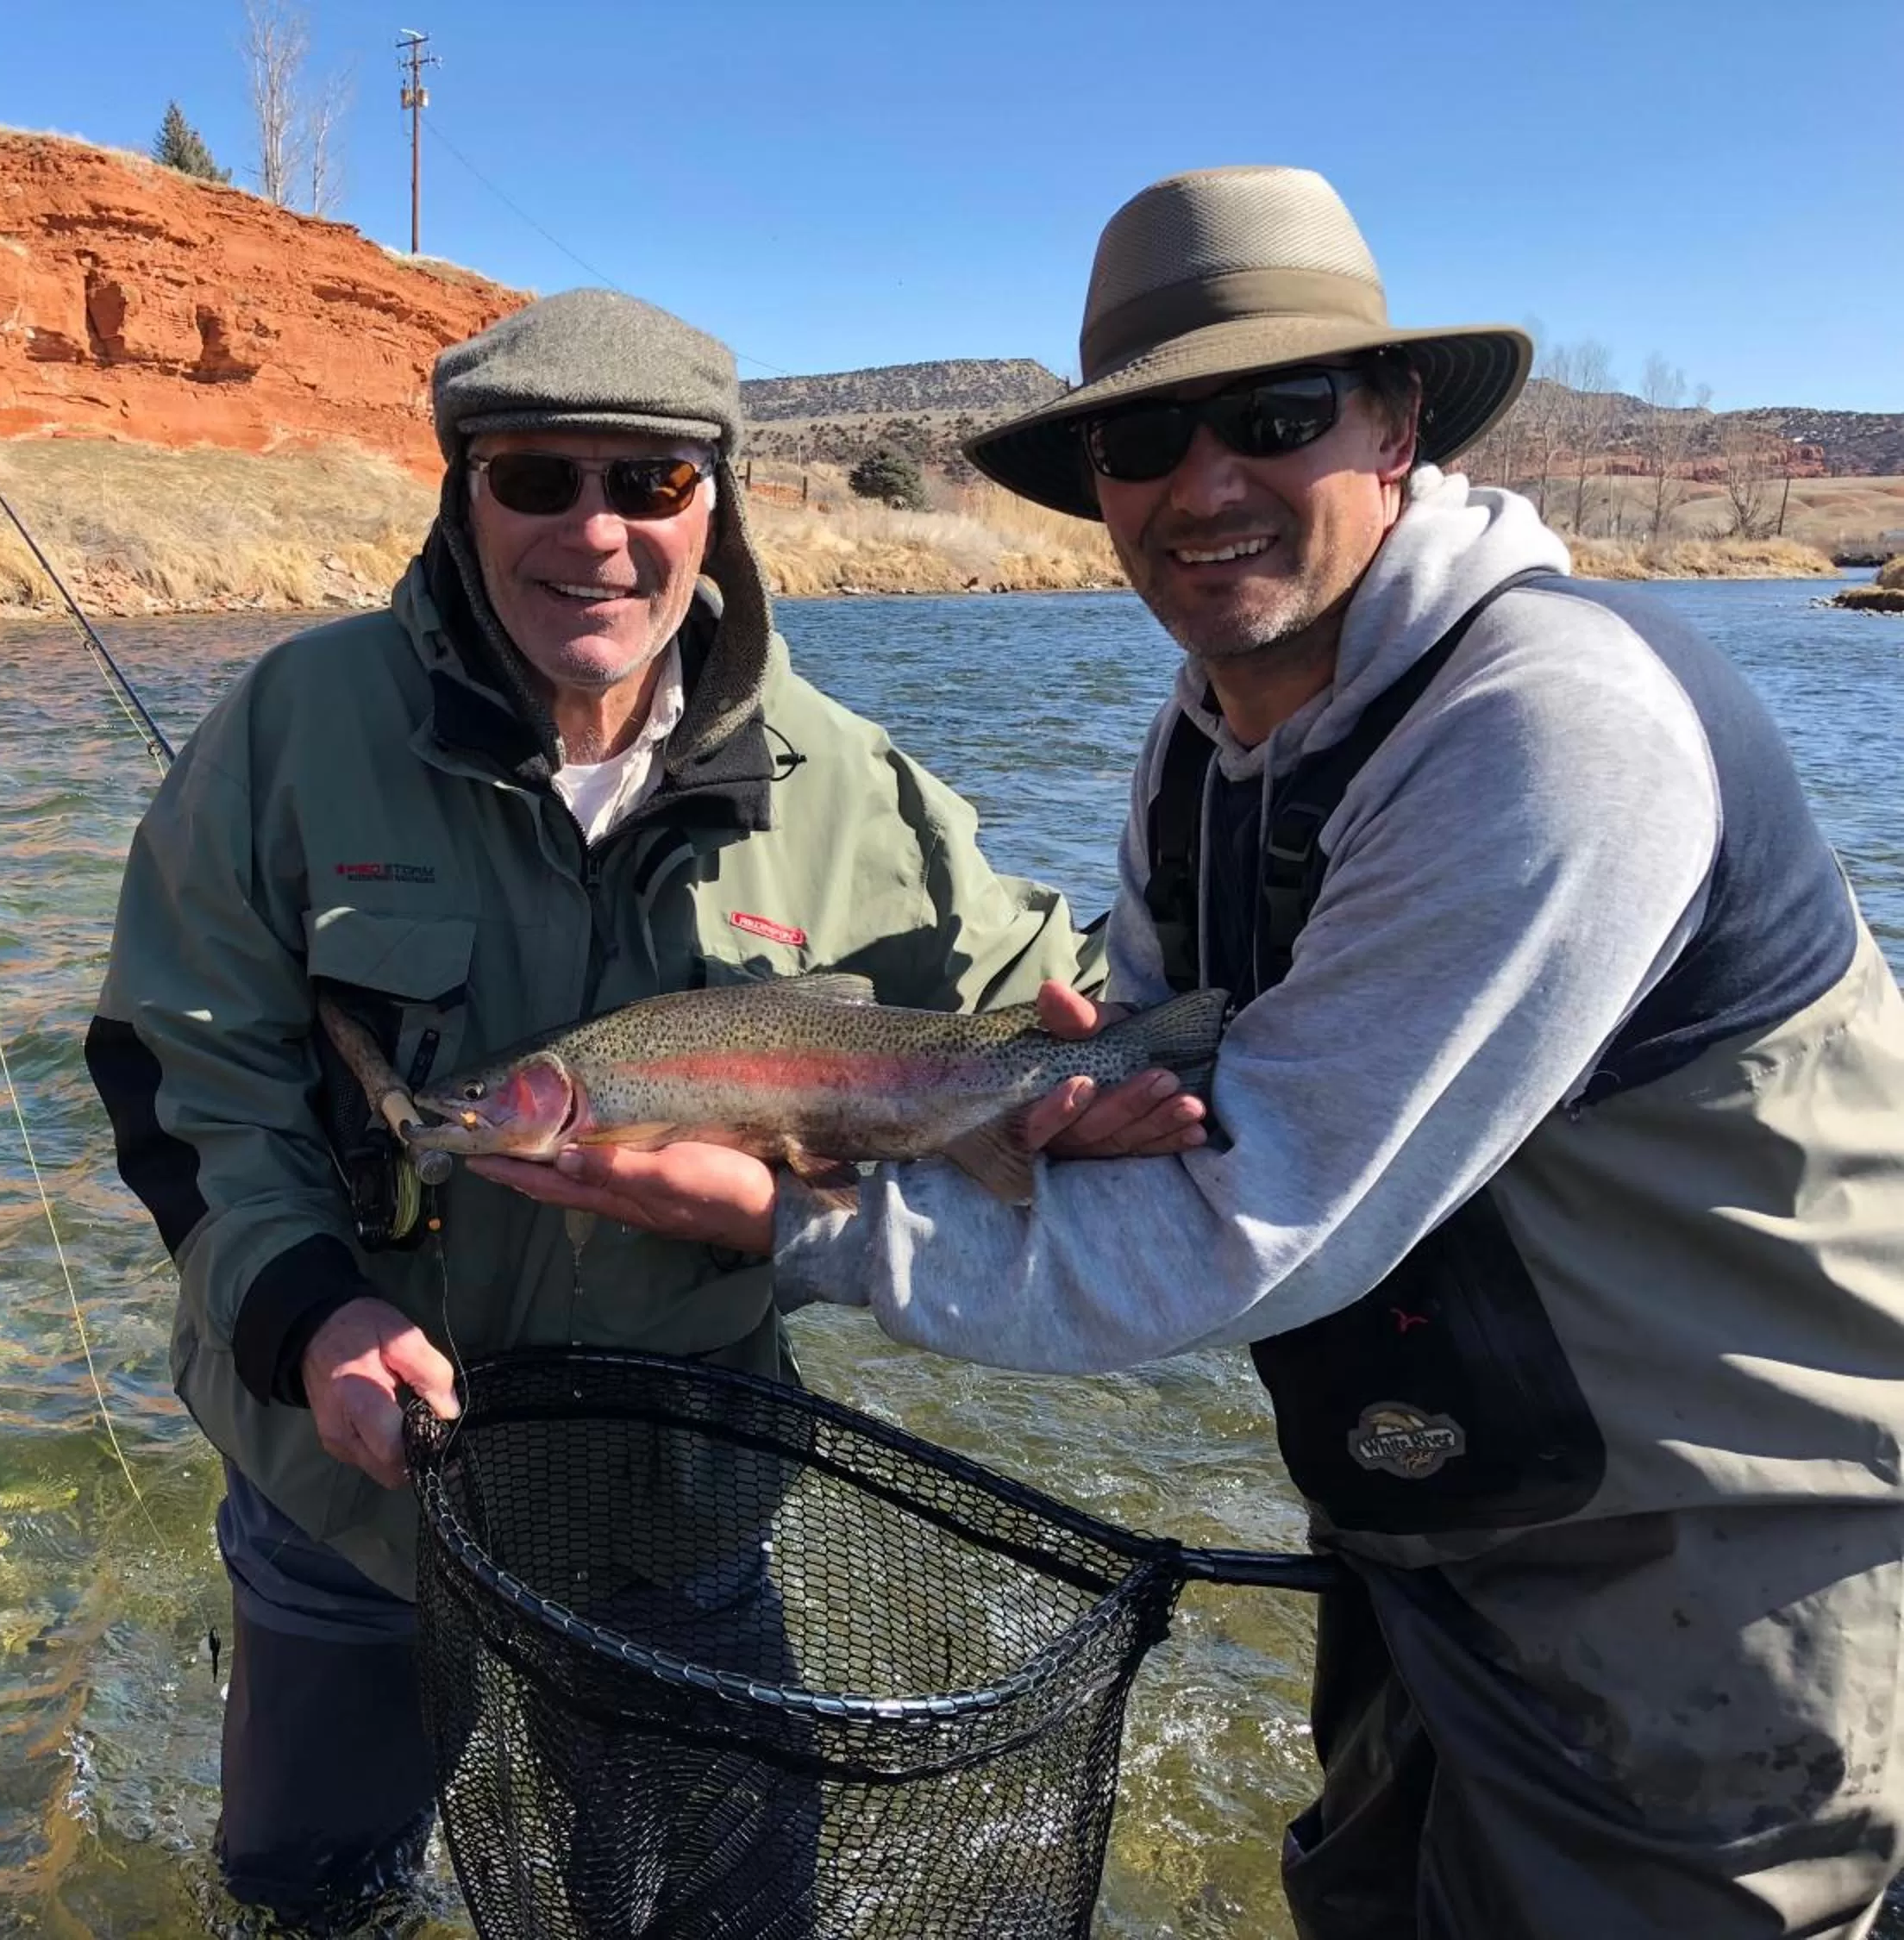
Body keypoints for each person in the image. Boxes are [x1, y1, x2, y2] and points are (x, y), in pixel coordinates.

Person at [518, 169, 1904, 1937]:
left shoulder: (1553, 728)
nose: (1206, 485)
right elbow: (1178, 1125)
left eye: (1272, 417)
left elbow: (1254, 1226)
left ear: (1398, 427)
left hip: (1715, 1565)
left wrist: (791, 1223)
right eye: (1146, 441)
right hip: (1428, 1534)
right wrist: (1053, 1111)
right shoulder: (1202, 746)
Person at [84, 286, 1197, 1930]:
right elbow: (179, 1072)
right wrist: (308, 1315)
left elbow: (1058, 990)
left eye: (649, 484)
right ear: (463, 493)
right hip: (351, 1495)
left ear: (715, 508)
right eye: (537, 477)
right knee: (312, 1898)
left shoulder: (849, 781)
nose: (593, 532)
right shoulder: (297, 727)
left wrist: (1101, 1081)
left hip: (674, 1493)